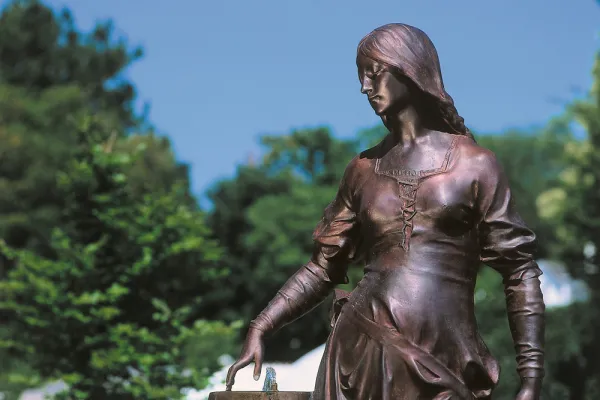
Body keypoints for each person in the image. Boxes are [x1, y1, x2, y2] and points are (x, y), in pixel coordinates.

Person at [225, 23, 545, 400]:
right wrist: (261, 325)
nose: (364, 86)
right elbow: (323, 267)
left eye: (374, 73)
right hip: (359, 352)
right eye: (361, 75)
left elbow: (520, 271)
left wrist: (531, 378)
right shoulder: (362, 170)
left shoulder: (475, 166)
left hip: (443, 358)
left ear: (409, 69)